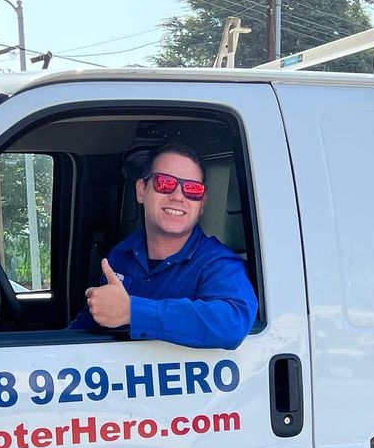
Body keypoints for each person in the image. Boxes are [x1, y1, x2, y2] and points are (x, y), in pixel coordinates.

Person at [71, 141, 258, 349]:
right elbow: (97, 317)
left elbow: (233, 322)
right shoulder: (121, 254)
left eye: (192, 189)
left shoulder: (218, 264)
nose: (178, 196)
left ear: (202, 203)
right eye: (165, 183)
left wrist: (133, 312)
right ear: (141, 191)